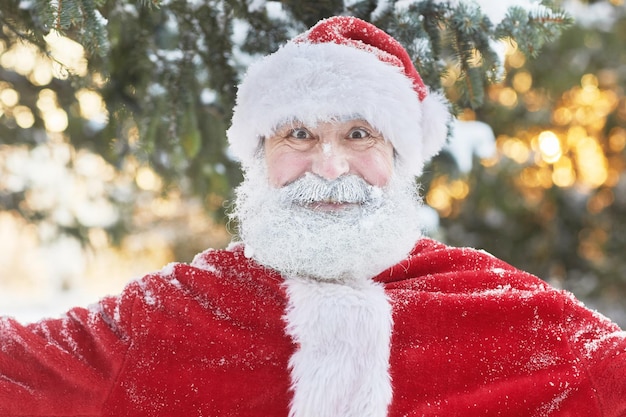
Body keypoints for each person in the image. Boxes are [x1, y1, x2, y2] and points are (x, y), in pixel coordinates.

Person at [0, 15, 624, 417]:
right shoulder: (173, 314)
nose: (330, 166)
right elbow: (22, 368)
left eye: (359, 133)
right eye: (298, 134)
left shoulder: (512, 313)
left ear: (399, 157)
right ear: (260, 158)